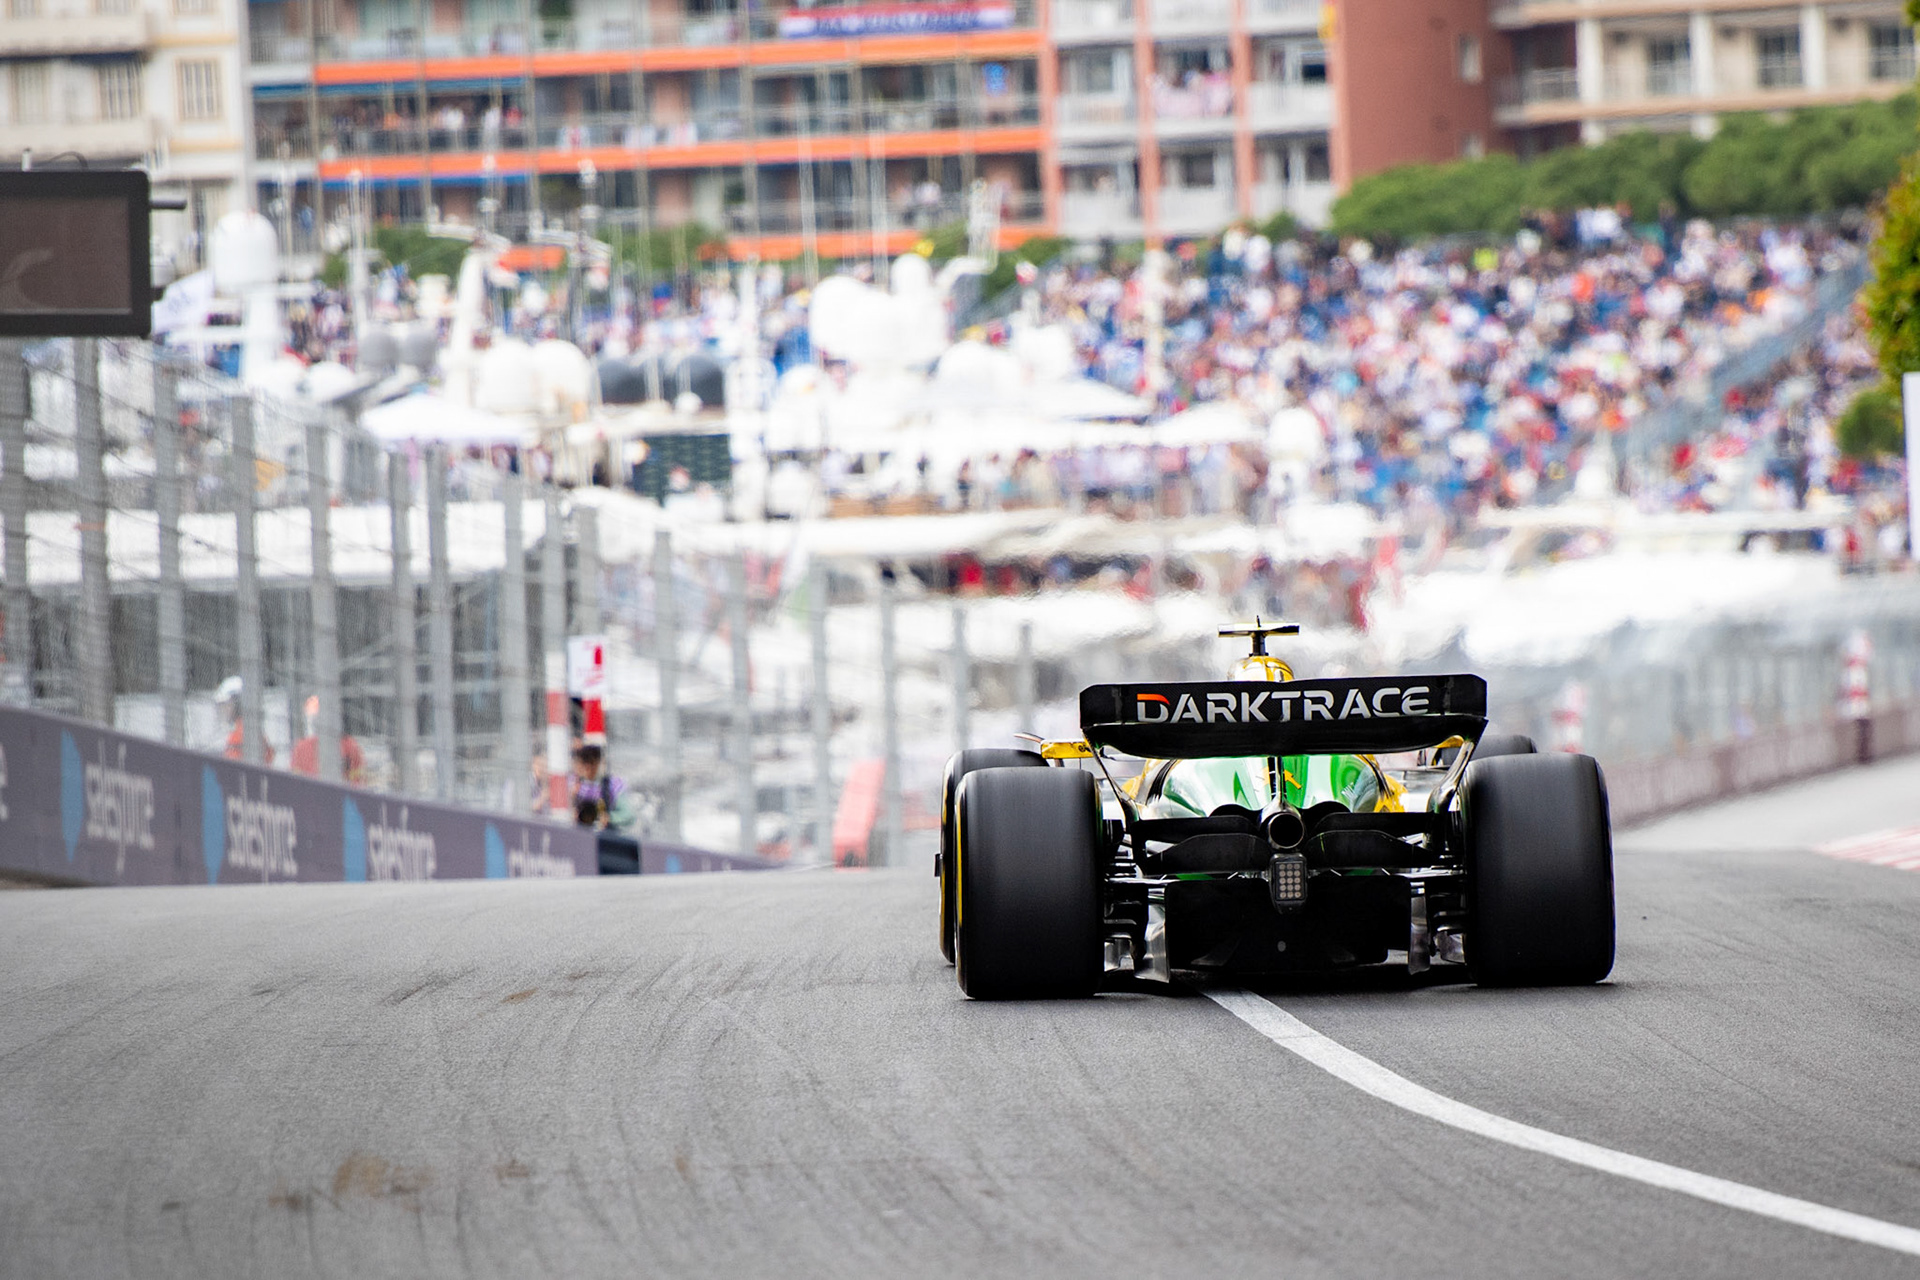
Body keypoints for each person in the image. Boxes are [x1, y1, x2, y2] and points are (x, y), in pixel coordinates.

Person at [572, 744, 641, 874]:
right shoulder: (575, 787)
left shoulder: (611, 785)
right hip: (585, 849)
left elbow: (629, 815)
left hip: (610, 849)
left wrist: (609, 818)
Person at [290, 695, 365, 784]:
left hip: (338, 793)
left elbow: (357, 779)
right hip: (314, 794)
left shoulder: (349, 745)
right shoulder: (301, 747)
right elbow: (294, 780)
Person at [216, 676, 274, 766]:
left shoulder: (241, 733)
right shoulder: (249, 729)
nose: (223, 710)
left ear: (239, 703)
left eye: (227, 705)